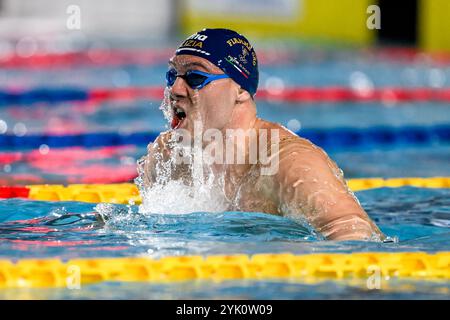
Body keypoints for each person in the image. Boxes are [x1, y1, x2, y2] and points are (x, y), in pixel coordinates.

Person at [138, 28, 385, 241]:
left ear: (241, 91)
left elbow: (353, 237)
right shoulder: (169, 156)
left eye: (196, 77)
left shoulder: (288, 161)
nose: (175, 89)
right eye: (173, 75)